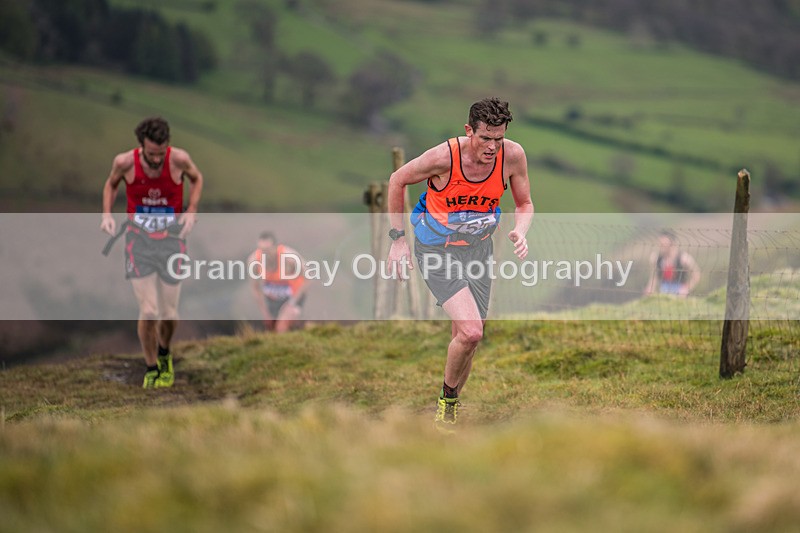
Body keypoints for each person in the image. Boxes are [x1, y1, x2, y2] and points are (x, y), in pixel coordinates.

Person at [387, 97, 533, 429]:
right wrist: (398, 240)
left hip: (478, 250)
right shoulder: (443, 157)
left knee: (467, 339)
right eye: (485, 138)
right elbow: (397, 180)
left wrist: (521, 231)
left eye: (499, 138)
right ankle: (448, 403)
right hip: (437, 250)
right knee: (471, 331)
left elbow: (524, 203)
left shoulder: (513, 156)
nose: (492, 147)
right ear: (469, 131)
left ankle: (450, 408)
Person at [101, 117, 204, 389]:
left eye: (161, 153)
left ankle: (164, 352)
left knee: (169, 314)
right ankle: (151, 367)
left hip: (172, 242)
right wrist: (107, 215)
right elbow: (111, 184)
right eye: (151, 154)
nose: (157, 159)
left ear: (167, 145)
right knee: (149, 311)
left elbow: (197, 178)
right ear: (141, 146)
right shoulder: (124, 162)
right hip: (139, 242)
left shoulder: (179, 159)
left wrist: (191, 210)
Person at [247, 232, 307, 333]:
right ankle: (301, 328)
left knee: (281, 328)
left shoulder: (289, 257)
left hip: (292, 296)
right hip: (272, 299)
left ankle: (295, 317)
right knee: (272, 328)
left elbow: (309, 277)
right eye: (261, 250)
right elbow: (255, 288)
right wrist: (265, 314)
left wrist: (292, 302)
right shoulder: (254, 261)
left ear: (275, 247)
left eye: (267, 250)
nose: (264, 253)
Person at [644, 230, 701, 297]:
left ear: (672, 243)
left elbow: (696, 274)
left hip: (680, 293)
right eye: (660, 244)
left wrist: (686, 288)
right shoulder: (656, 258)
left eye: (664, 244)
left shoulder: (684, 258)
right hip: (663, 292)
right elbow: (654, 276)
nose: (661, 247)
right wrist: (650, 287)